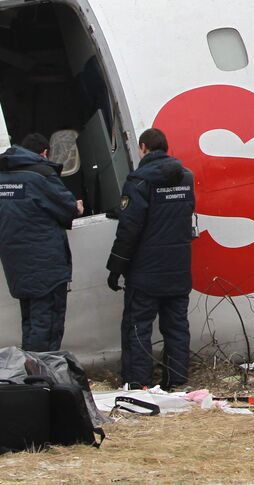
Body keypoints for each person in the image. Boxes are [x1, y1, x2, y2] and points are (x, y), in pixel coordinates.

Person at [105, 127, 195, 390]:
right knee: (177, 327)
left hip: (146, 272)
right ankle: (176, 382)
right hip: (178, 268)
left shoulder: (139, 181)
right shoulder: (186, 178)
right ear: (165, 148)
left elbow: (129, 230)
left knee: (138, 327)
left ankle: (139, 384)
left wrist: (115, 268)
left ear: (143, 147)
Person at [0, 132, 83, 352]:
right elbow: (67, 208)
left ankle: (31, 374)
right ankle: (43, 379)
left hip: (18, 267)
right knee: (48, 326)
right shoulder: (40, 175)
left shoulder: (1, 179)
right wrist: (77, 207)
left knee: (31, 323)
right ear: (44, 153)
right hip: (45, 266)